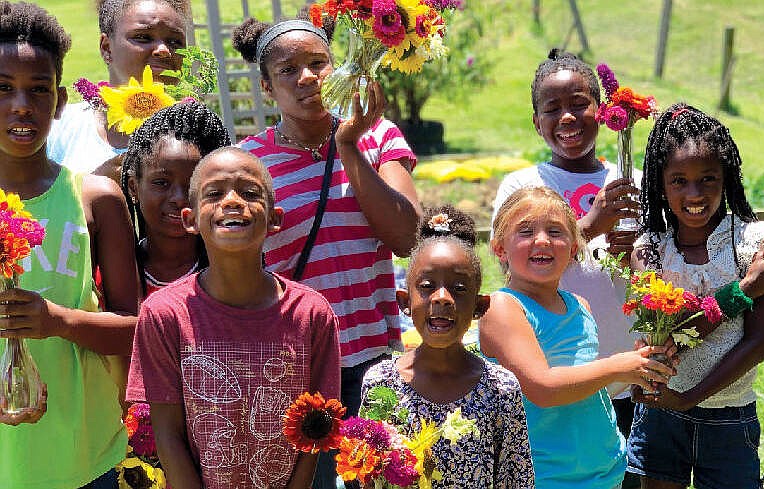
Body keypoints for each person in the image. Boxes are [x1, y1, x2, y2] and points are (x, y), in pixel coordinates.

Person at [232, 14, 422, 488]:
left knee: (374, 480)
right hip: (294, 367)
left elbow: (406, 237)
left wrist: (349, 146)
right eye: (288, 70)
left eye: (318, 63)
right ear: (266, 85)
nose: (307, 78)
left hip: (376, 361)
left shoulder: (377, 136)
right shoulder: (250, 164)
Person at [126, 147, 341, 489]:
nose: (232, 201)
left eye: (249, 193)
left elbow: (316, 430)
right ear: (190, 219)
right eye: (214, 193)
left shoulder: (312, 314)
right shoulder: (164, 314)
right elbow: (168, 433)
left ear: (275, 218)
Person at [0, 3, 140, 488]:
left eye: (38, 90)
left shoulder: (95, 198)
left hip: (82, 453)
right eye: (3, 88)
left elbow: (133, 330)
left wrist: (57, 321)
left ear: (59, 101)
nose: (21, 105)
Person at [490, 50, 643, 486]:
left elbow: (650, 270)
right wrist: (590, 227)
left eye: (579, 103)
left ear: (604, 111)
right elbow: (511, 261)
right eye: (552, 108)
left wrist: (633, 250)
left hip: (628, 370)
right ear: (536, 122)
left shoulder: (626, 178)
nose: (567, 117)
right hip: (559, 376)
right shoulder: (524, 185)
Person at [625, 103, 764, 489]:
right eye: (679, 180)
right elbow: (669, 335)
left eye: (708, 179)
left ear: (727, 178)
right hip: (661, 411)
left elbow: (759, 344)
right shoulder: (650, 250)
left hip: (730, 415)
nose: (694, 193)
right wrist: (746, 289)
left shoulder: (754, 244)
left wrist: (693, 396)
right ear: (659, 184)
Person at [480, 186, 678, 489]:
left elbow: (588, 385)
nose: (543, 240)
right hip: (543, 476)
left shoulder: (579, 305)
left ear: (574, 248)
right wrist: (618, 366)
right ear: (499, 249)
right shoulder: (503, 308)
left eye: (556, 231)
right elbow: (543, 388)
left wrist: (641, 367)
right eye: (526, 231)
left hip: (604, 468)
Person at [361, 205, 534, 488]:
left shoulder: (500, 389)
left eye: (459, 288)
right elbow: (368, 477)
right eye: (427, 286)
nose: (442, 298)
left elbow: (516, 481)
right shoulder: (381, 385)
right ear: (405, 301)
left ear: (480, 306)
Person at [47, 0, 191, 178]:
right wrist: (95, 188)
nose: (163, 50)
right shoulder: (59, 128)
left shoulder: (198, 131)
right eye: (143, 37)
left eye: (175, 41)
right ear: (107, 48)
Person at [120, 101, 230, 297]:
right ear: (133, 187)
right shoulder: (110, 272)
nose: (179, 199)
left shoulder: (232, 273)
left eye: (193, 185)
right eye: (161, 183)